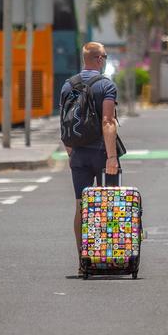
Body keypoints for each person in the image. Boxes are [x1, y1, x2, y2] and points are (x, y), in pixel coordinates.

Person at [61, 42, 120, 268]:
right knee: (109, 205)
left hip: (78, 154)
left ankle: (82, 260)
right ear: (99, 59)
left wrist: (71, 153)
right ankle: (108, 258)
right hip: (102, 153)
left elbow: (64, 124)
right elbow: (108, 121)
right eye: (104, 56)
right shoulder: (106, 85)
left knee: (81, 206)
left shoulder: (68, 85)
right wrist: (112, 157)